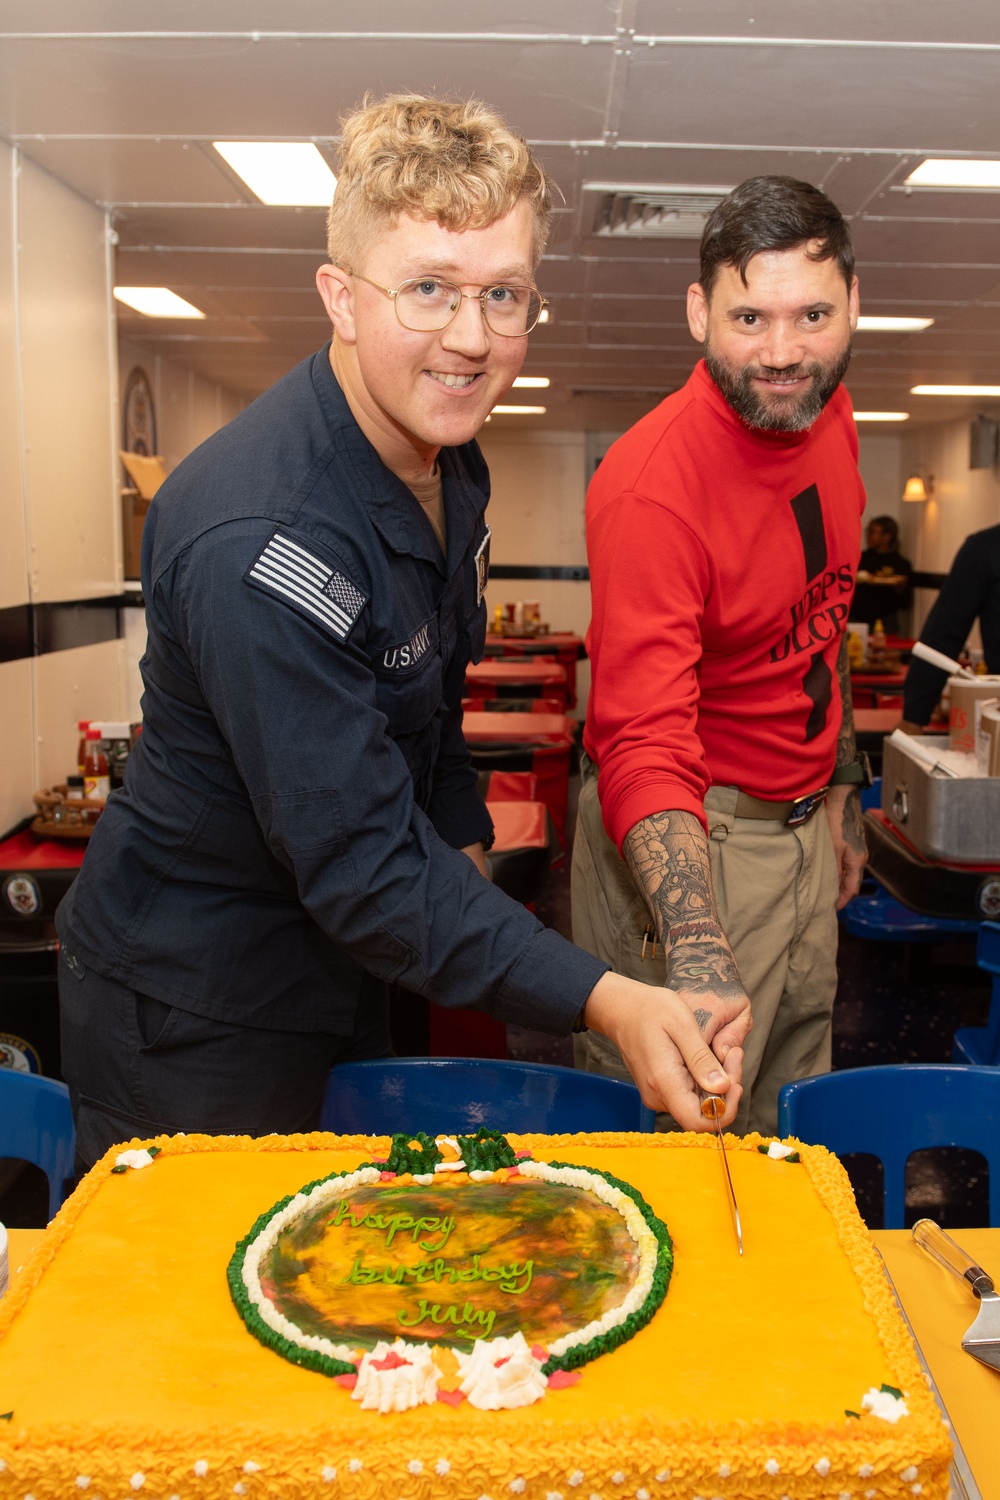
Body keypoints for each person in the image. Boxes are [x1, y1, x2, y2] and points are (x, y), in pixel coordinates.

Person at [56, 95, 748, 1171]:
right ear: (340, 297)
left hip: (347, 961)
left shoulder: (447, 459)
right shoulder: (262, 537)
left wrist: (459, 841)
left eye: (503, 296)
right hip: (197, 1000)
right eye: (428, 290)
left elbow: (426, 704)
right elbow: (366, 871)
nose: (471, 341)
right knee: (206, 1316)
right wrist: (605, 999)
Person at [571, 175, 869, 1136]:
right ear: (700, 311)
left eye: (812, 315)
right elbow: (643, 740)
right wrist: (696, 947)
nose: (783, 354)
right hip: (695, 840)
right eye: (750, 317)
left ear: (854, 304)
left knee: (790, 1122)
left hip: (800, 833)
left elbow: (825, 623)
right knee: (680, 1143)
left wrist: (839, 795)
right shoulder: (654, 486)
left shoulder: (835, 415)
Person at [901, 522, 1000, 730]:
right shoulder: (986, 548)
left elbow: (943, 633)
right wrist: (914, 715)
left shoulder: (985, 547)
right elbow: (943, 634)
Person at [850, 514, 913, 634]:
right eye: (867, 531)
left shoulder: (900, 564)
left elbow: (905, 603)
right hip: (856, 619)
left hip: (886, 622)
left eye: (873, 532)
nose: (867, 536)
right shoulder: (858, 559)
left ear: (886, 536)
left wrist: (900, 589)